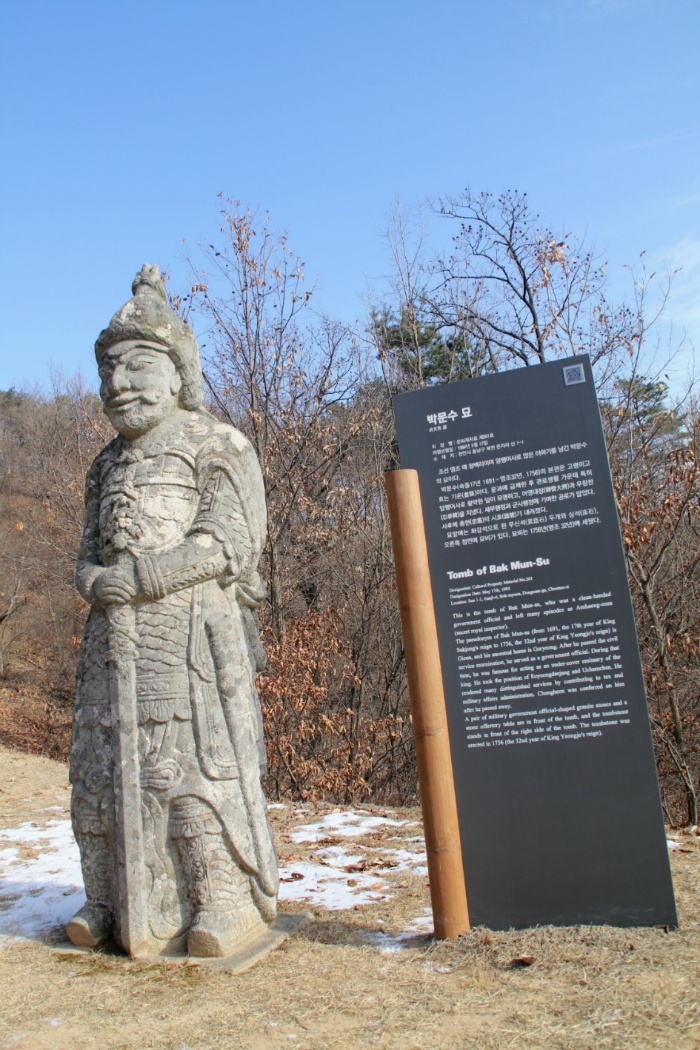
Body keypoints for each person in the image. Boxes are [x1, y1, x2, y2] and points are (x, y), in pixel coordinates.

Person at [66, 265, 278, 958]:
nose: (119, 383)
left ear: (179, 373)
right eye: (109, 370)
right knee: (101, 773)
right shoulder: (105, 464)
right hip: (111, 637)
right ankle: (111, 898)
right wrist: (100, 582)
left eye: (137, 365)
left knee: (190, 770)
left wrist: (149, 577)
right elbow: (85, 554)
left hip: (186, 632)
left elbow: (226, 542)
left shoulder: (214, 442)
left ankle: (218, 898)